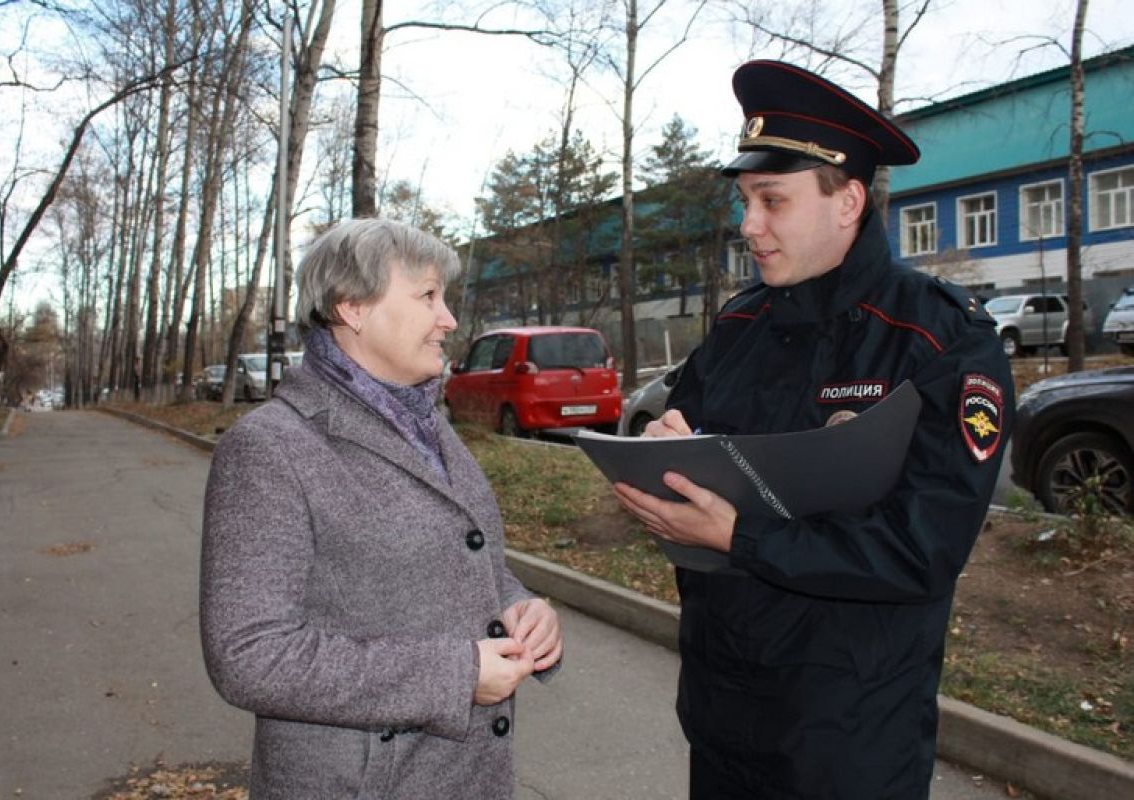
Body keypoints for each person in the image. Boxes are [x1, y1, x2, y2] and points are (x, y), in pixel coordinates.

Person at [614, 61, 1013, 799]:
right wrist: (658, 461)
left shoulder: (937, 340)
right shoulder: (738, 328)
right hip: (723, 713)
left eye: (772, 200)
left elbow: (924, 549)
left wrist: (739, 536)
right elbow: (689, 467)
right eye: (744, 200)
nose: (749, 224)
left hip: (848, 737)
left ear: (847, 200)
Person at [200, 218, 562, 799]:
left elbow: (463, 560)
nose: (448, 319)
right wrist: (457, 675)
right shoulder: (269, 448)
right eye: (427, 296)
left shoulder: (424, 422)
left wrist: (521, 607)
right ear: (352, 308)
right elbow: (250, 655)